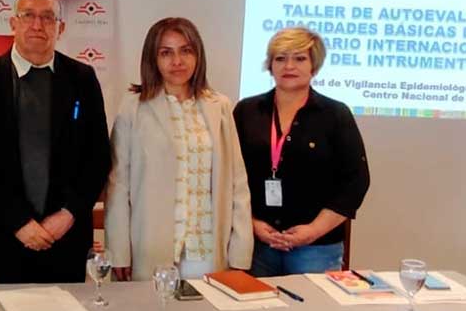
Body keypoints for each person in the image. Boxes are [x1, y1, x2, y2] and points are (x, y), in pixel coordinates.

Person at [0, 0, 110, 284]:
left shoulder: (83, 80)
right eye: (29, 15)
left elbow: (98, 158)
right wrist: (18, 222)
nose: (38, 25)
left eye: (48, 17)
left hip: (64, 240)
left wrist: (68, 215)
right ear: (13, 23)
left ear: (60, 28)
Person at [105, 18, 253, 281]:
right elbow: (118, 186)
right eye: (166, 53)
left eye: (186, 50)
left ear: (198, 55)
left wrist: (241, 251)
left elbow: (237, 184)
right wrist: (118, 251)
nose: (177, 61)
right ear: (153, 59)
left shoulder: (219, 107)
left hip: (205, 250)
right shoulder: (133, 108)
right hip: (150, 248)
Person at [233, 27, 369, 277]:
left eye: (299, 58)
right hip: (256, 244)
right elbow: (229, 176)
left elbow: (355, 182)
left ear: (314, 66)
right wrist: (252, 224)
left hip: (316, 248)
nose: (289, 66)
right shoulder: (246, 111)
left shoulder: (335, 114)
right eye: (280, 58)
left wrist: (314, 230)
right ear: (270, 65)